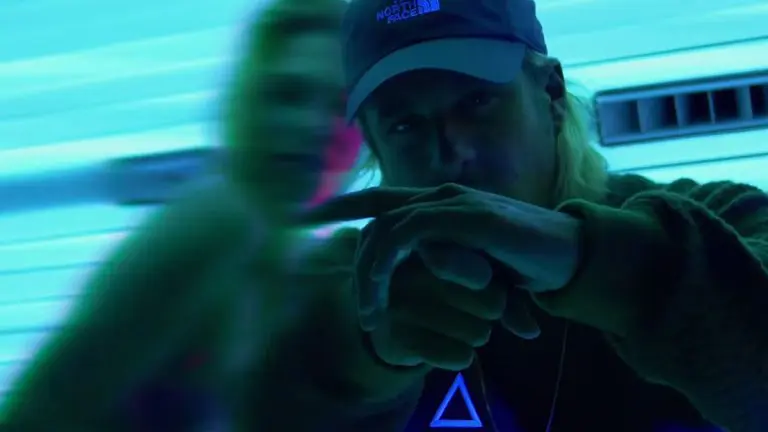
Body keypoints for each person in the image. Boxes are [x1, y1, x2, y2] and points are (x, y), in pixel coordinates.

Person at [249, 0, 768, 431]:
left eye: (477, 101)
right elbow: (268, 387)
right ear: (377, 149)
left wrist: (597, 261)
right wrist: (361, 349)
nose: (450, 151)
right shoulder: (360, 284)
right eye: (405, 125)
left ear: (551, 95)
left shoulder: (718, 223)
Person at [0, 0, 358, 430]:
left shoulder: (292, 260)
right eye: (288, 95)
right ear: (245, 102)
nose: (314, 125)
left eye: (340, 107)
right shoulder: (218, 224)